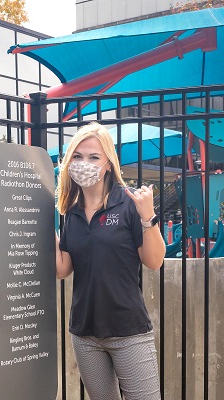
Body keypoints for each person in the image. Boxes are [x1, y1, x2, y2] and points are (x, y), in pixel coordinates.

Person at [55, 122, 165, 399]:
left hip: (128, 332)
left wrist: (147, 217)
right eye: (77, 157)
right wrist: (44, 227)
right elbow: (62, 269)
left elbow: (154, 261)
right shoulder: (71, 212)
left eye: (94, 157)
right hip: (85, 333)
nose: (84, 163)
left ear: (108, 165)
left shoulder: (129, 203)